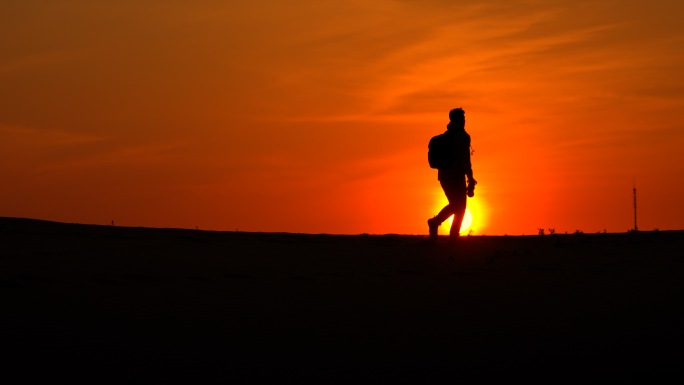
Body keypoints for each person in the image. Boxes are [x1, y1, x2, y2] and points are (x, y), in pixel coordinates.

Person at [428, 108, 477, 239]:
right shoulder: (463, 137)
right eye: (463, 119)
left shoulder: (446, 136)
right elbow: (465, 159)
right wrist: (470, 177)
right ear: (459, 120)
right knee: (459, 206)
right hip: (455, 176)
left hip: (443, 176)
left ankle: (445, 229)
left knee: (456, 205)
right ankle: (441, 226)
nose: (464, 121)